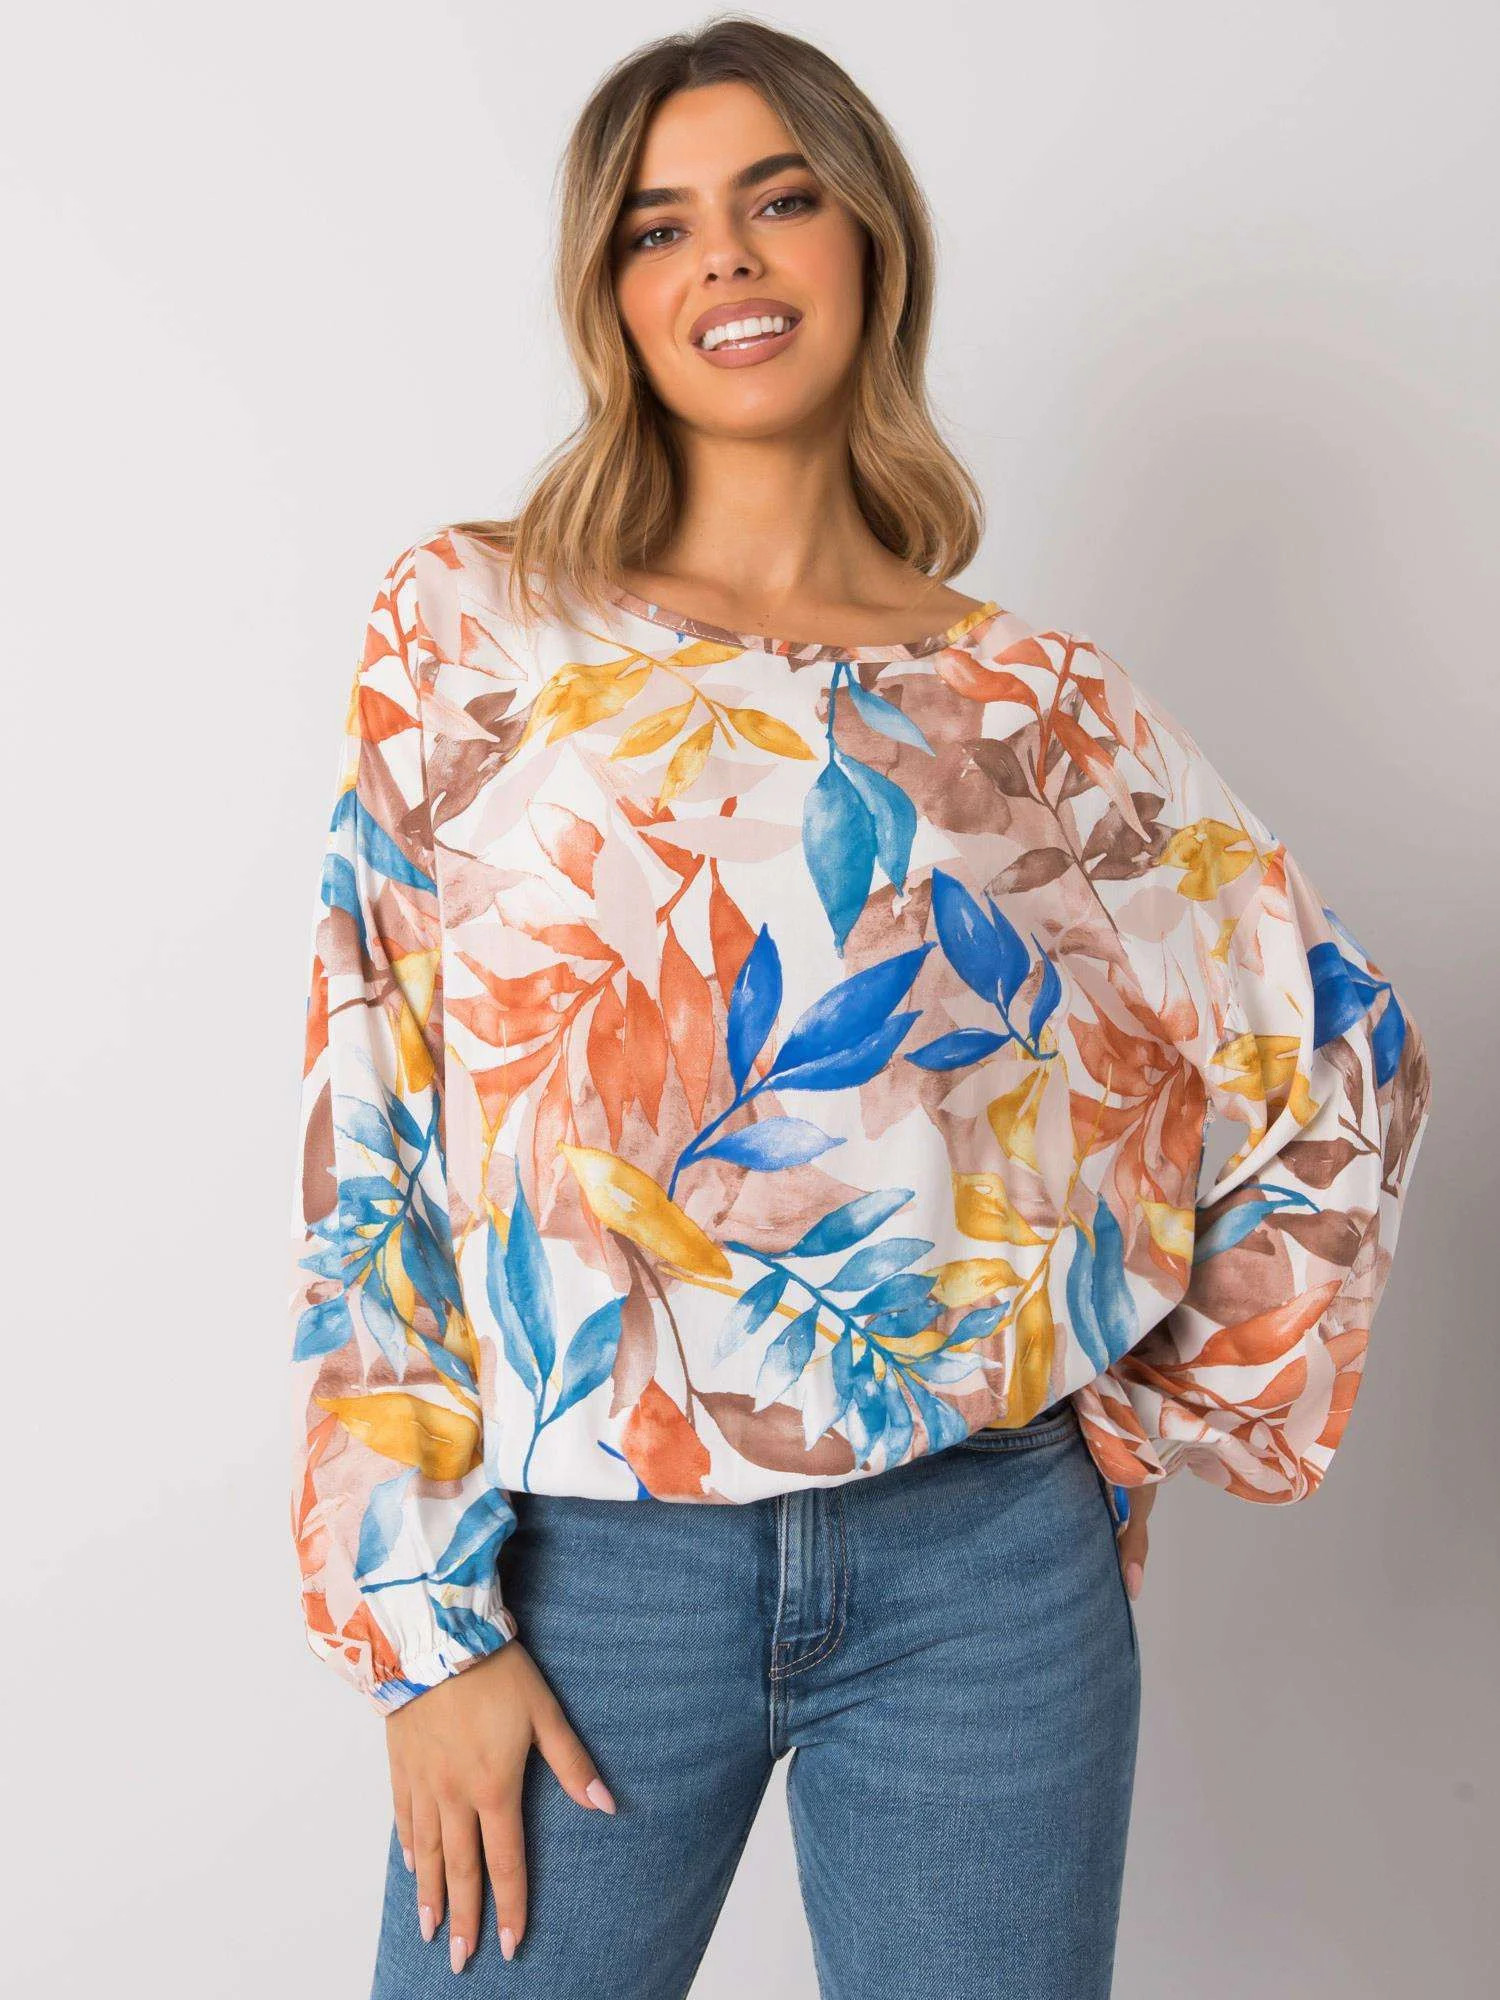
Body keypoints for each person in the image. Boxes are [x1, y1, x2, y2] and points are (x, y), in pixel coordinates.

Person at [286, 19, 1434, 1997]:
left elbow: (1333, 1049)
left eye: (777, 199)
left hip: (985, 1572)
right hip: (585, 1563)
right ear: (610, 296)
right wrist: (420, 1622)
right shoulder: (476, 625)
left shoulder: (1040, 708)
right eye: (659, 228)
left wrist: (1130, 1409)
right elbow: (371, 1108)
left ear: (869, 240)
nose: (724, 259)